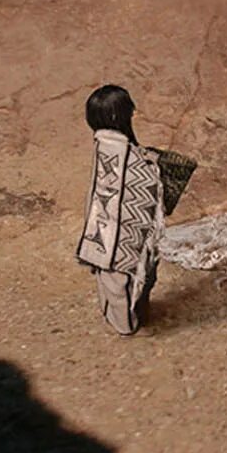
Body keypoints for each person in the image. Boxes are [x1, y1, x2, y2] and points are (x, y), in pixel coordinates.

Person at [76, 85, 168, 335]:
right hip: (118, 235)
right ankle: (126, 326)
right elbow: (136, 183)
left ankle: (130, 319)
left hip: (117, 233)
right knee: (121, 280)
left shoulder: (113, 147)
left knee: (125, 280)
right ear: (119, 116)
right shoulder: (113, 148)